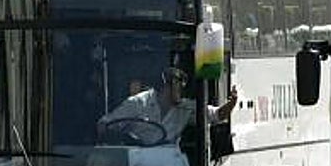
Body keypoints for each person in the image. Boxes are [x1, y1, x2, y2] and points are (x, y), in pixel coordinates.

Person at [98, 66, 237, 144]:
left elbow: (217, 115)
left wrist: (231, 104)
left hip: (170, 164)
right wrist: (121, 138)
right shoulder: (137, 103)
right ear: (166, 87)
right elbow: (104, 124)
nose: (182, 91)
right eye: (179, 87)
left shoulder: (186, 108)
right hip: (137, 161)